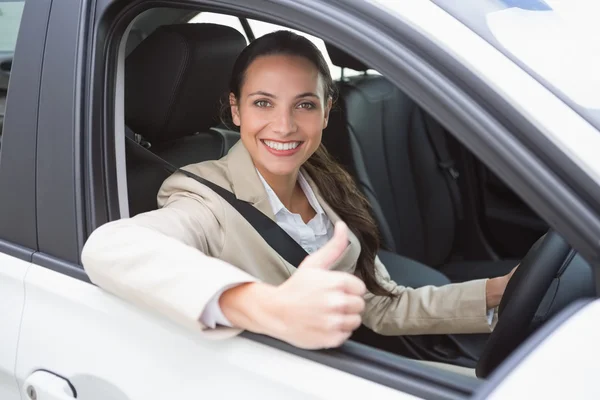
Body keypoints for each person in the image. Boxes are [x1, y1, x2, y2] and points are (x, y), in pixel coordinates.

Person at [82, 31, 516, 353]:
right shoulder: (205, 197)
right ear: (235, 109)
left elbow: (381, 307)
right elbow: (111, 247)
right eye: (263, 103)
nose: (285, 126)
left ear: (327, 111)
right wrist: (266, 306)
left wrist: (498, 290)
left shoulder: (326, 183)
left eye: (304, 105)